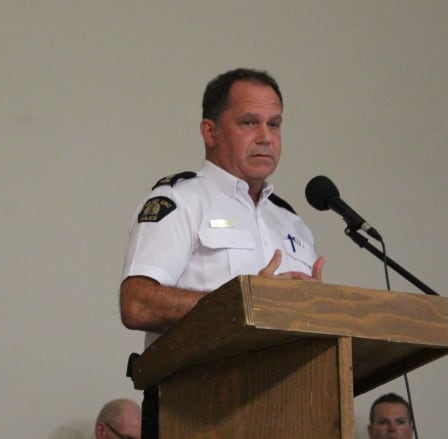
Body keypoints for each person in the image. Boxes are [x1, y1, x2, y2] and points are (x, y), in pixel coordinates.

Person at [120, 68, 325, 438]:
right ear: (210, 132)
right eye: (249, 122)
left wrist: (316, 312)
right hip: (195, 410)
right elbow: (137, 304)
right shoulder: (180, 201)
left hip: (288, 411)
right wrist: (242, 302)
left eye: (274, 124)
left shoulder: (291, 223)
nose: (265, 137)